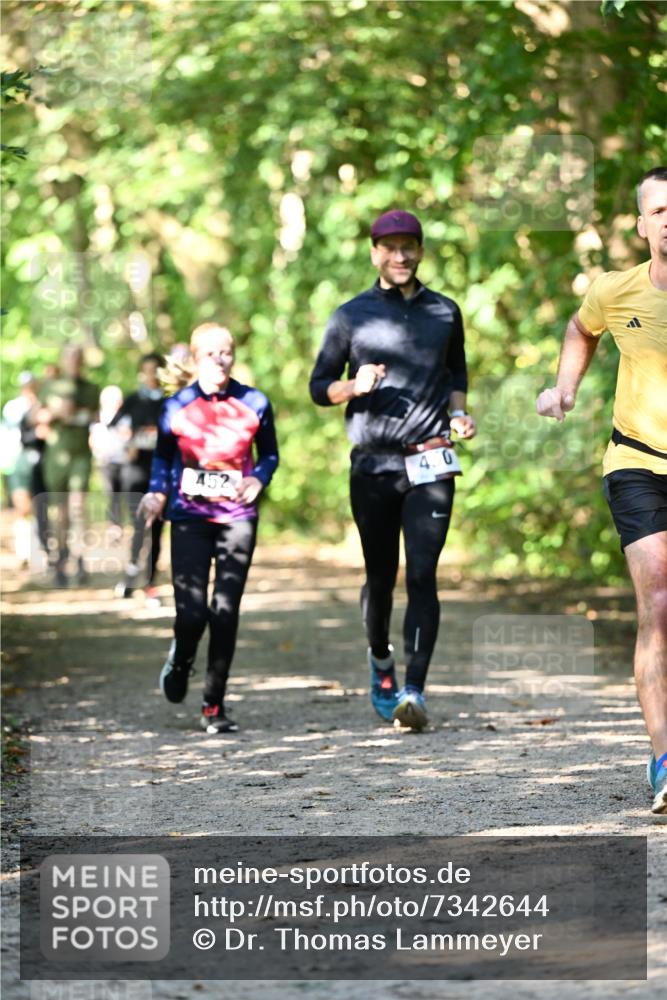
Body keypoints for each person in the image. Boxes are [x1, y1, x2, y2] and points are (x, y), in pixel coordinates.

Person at [309, 210, 476, 731]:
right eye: (390, 247)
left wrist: (459, 413)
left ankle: (415, 690)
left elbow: (457, 370)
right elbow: (320, 387)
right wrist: (352, 387)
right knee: (381, 577)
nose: (400, 256)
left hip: (430, 459)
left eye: (409, 246)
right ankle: (381, 659)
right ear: (375, 252)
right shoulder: (350, 316)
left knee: (423, 574)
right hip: (374, 464)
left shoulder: (445, 311)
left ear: (421, 250)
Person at [536, 166, 667, 815]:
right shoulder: (614, 290)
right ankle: (666, 760)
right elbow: (579, 329)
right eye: (659, 210)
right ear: (642, 224)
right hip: (636, 460)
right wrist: (564, 388)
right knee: (659, 605)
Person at [139, 323, 279, 734]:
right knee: (191, 613)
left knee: (225, 611)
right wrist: (156, 494)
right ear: (196, 359)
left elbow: (269, 455)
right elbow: (163, 460)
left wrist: (259, 478)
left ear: (233, 357)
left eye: (227, 353)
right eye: (211, 354)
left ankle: (213, 704)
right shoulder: (176, 406)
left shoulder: (254, 401)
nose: (220, 360)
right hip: (189, 517)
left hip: (237, 516)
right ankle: (181, 659)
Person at [37, 345, 100, 586]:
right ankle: (60, 559)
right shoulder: (50, 386)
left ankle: (80, 557)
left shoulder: (91, 388)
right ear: (63, 360)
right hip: (56, 457)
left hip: (81, 455)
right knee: (60, 512)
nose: (74, 361)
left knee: (77, 506)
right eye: (69, 357)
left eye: (78, 357)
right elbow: (36, 417)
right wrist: (56, 413)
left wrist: (75, 413)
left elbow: (95, 417)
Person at [109, 353, 166, 605]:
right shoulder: (134, 399)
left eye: (155, 370)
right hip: (136, 471)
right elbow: (112, 425)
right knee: (139, 525)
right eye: (146, 370)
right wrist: (128, 440)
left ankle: (150, 583)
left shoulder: (170, 401)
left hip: (162, 472)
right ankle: (131, 574)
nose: (150, 375)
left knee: (157, 529)